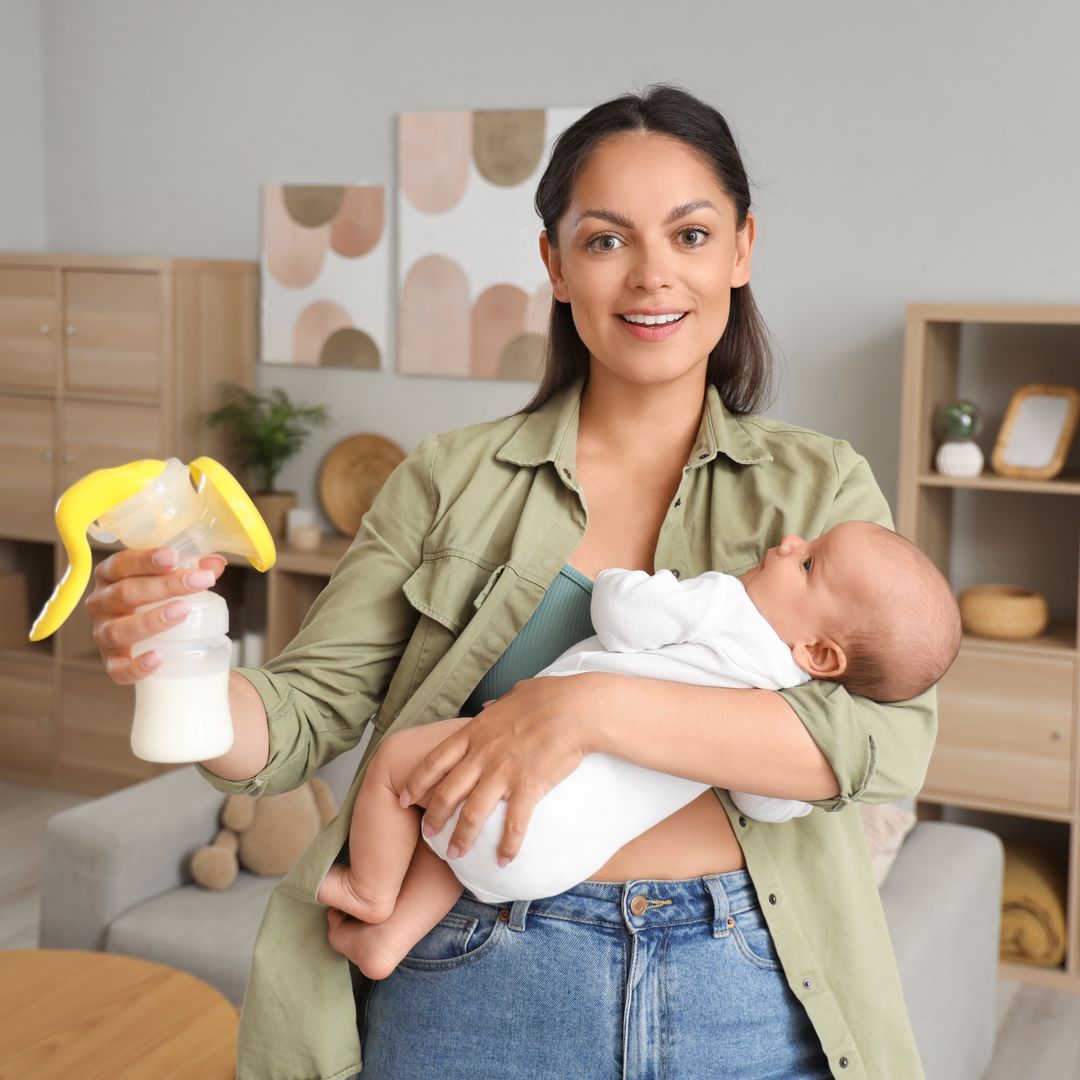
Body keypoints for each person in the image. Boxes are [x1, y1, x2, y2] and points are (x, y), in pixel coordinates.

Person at [85, 84, 940, 1079]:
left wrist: (587, 712)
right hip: (476, 969)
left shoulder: (819, 487)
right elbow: (304, 716)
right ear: (556, 264)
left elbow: (884, 740)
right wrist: (173, 654)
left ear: (742, 250)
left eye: (692, 235)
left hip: (743, 979)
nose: (653, 276)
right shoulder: (449, 477)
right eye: (608, 240)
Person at [316, 520, 960, 981]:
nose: (790, 543)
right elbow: (765, 805)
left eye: (810, 563)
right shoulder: (783, 706)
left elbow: (620, 612)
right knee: (459, 839)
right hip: (550, 864)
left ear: (820, 653)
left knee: (403, 765)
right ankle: (388, 941)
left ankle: (370, 894)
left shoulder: (728, 605)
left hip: (515, 799)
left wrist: (643, 580)